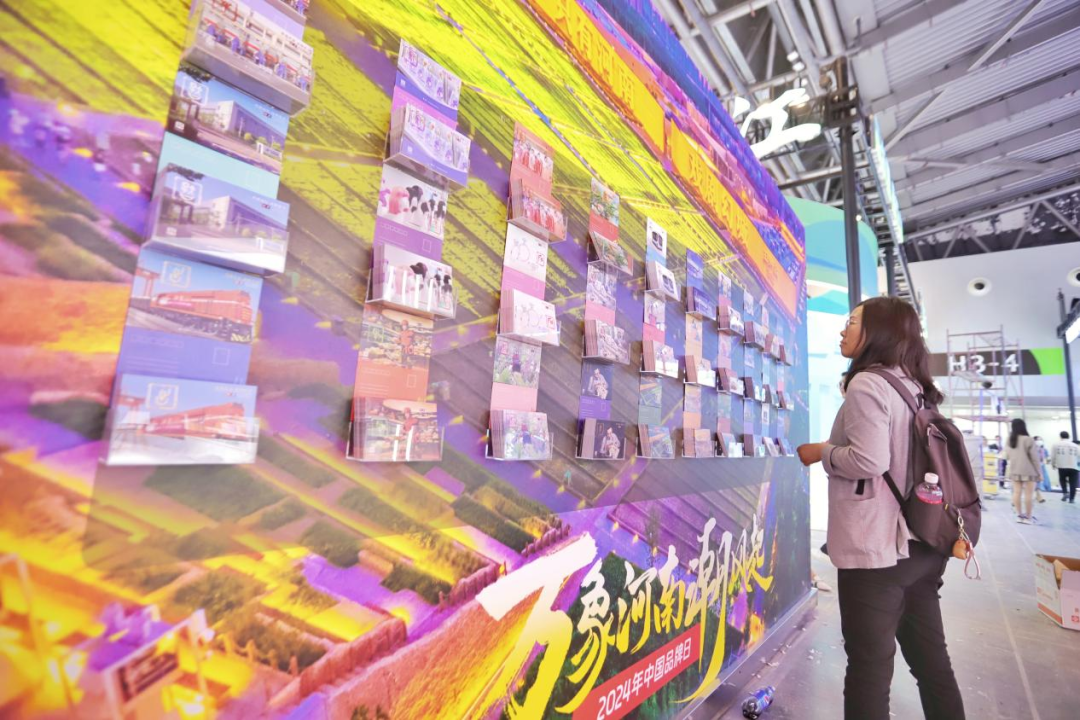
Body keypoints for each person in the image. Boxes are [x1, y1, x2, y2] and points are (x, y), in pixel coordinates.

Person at [796, 297, 965, 720]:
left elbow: (869, 461)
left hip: (878, 551)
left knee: (869, 671)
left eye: (852, 321)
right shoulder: (915, 388)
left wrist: (820, 452)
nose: (843, 329)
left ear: (879, 332)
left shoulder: (868, 383)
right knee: (932, 665)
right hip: (923, 544)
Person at [1004, 419, 1041, 523]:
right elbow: (1035, 458)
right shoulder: (1029, 439)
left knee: (1016, 492)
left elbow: (1006, 456)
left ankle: (1019, 516)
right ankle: (1028, 517)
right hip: (1029, 471)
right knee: (1029, 494)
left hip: (1014, 469)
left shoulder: (1009, 439)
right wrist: (1039, 472)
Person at [1052, 431, 1079, 503]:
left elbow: (1053, 456)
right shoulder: (1075, 446)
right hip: (1073, 466)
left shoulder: (1055, 445)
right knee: (1073, 483)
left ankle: (1065, 493)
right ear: (1068, 436)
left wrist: (1053, 464)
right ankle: (1072, 499)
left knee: (1062, 480)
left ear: (1060, 436)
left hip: (1062, 466)